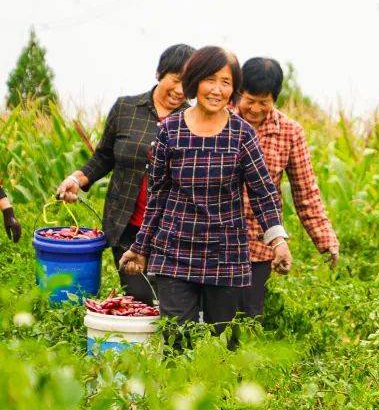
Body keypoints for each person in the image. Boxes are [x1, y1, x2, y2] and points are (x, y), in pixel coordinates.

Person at [118, 46, 292, 336]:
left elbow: (263, 193)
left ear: (234, 89)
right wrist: (140, 247)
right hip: (174, 251)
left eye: (226, 82)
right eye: (210, 79)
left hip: (225, 254)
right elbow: (157, 196)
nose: (217, 90)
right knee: (177, 338)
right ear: (195, 81)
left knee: (218, 338)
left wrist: (277, 240)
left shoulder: (241, 134)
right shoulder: (170, 131)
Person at [56, 44, 195, 304]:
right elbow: (104, 156)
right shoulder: (126, 109)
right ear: (159, 74)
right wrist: (76, 179)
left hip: (173, 230)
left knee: (171, 305)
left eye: (188, 84)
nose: (180, 91)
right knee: (139, 298)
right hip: (128, 225)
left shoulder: (193, 120)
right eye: (175, 81)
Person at [233, 57, 339, 317]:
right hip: (214, 238)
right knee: (210, 318)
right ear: (238, 92)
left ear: (275, 99)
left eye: (264, 102)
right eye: (250, 100)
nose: (255, 108)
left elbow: (306, 191)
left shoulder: (290, 132)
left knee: (247, 318)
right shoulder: (218, 122)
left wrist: (325, 240)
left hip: (259, 241)